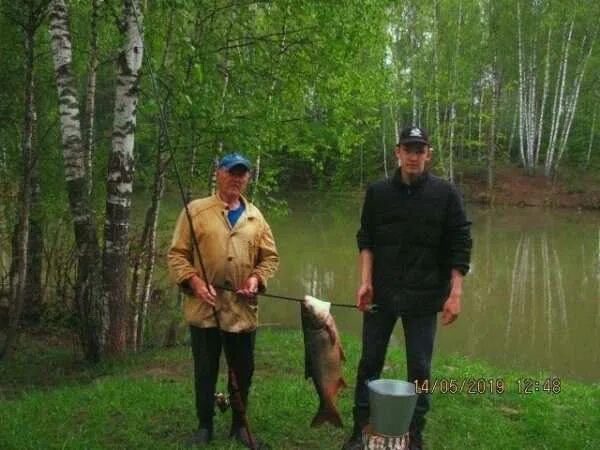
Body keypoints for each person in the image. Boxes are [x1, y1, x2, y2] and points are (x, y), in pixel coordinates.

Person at [342, 126, 472, 450]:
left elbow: (461, 243)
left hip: (425, 296)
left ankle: (415, 431)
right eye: (407, 149)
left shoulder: (446, 194)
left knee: (420, 366)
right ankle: (360, 427)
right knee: (369, 361)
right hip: (382, 294)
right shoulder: (378, 193)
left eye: (419, 149)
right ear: (397, 152)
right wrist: (365, 282)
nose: (413, 156)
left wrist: (455, 294)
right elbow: (366, 239)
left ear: (428, 153)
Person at [167, 152, 279, 449]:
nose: (236, 178)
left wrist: (256, 279)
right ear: (218, 173)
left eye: (242, 174)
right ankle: (204, 425)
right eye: (231, 172)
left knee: (243, 370)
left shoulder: (256, 217)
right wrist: (194, 281)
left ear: (248, 178)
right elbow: (177, 255)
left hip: (242, 312)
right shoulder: (195, 211)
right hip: (204, 309)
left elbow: (269, 258)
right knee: (205, 369)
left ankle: (240, 427)